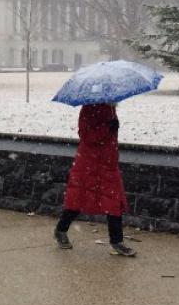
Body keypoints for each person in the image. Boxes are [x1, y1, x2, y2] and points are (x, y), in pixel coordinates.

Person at [54, 103, 136, 257]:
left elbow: (110, 140)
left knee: (114, 202)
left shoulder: (111, 109)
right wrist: (107, 128)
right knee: (78, 200)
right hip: (89, 164)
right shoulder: (89, 108)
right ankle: (60, 230)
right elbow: (86, 135)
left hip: (108, 164)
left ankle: (117, 242)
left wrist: (112, 128)